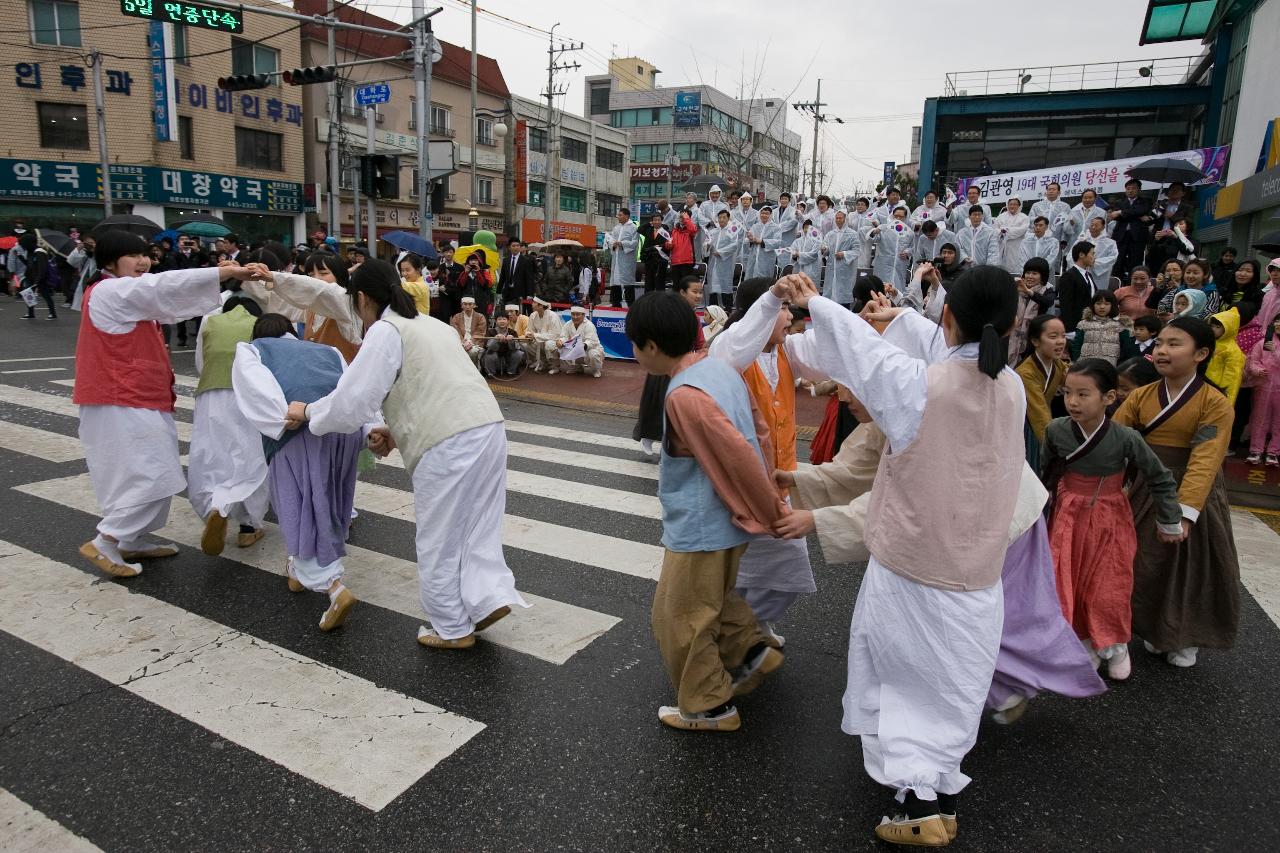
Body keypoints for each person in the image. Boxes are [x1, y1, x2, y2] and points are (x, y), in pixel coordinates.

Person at [779, 268, 1023, 847]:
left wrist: (814, 300)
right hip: (978, 574)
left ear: (948, 316)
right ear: (1013, 326)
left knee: (902, 683)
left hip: (912, 570)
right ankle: (939, 784)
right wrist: (906, 317)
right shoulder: (1010, 384)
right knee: (952, 685)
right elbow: (946, 351)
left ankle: (918, 802)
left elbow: (865, 356)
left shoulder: (919, 388)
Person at [291, 258, 527, 649]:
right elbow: (428, 386)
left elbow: (352, 401)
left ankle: (452, 627)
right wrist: (395, 431)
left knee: (439, 536)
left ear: (363, 298)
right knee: (477, 527)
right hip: (486, 427)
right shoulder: (432, 324)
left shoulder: (386, 330)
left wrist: (309, 412)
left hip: (447, 442)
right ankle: (488, 597)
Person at [624, 290, 785, 733]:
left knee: (679, 618)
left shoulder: (684, 396)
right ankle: (753, 651)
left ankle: (709, 706)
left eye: (636, 345)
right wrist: (765, 498)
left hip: (701, 525)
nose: (636, 353)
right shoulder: (720, 369)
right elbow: (758, 433)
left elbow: (733, 455)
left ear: (652, 346)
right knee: (711, 602)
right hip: (729, 526)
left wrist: (767, 510)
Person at [74, 231, 254, 578]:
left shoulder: (123, 292)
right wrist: (222, 273)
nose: (143, 262)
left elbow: (168, 302)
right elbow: (162, 288)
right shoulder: (111, 290)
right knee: (150, 472)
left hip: (135, 397)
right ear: (110, 260)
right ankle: (107, 540)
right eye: (133, 255)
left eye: (146, 254)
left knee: (152, 470)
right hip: (120, 400)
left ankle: (132, 538)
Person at [1042, 359, 1183, 681]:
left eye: (1083, 394)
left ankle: (1115, 645)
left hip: (1110, 516)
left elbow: (1159, 477)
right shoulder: (1056, 430)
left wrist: (1169, 520)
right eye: (1067, 393)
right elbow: (1048, 472)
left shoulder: (1126, 437)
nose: (1073, 402)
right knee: (1068, 581)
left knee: (1110, 585)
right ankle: (1084, 643)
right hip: (1067, 516)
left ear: (1109, 397)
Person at [1113, 317, 1239, 669]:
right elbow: (1115, 440)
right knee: (1141, 561)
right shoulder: (1141, 395)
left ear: (1201, 353)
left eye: (1174, 344)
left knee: (1192, 567)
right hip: (1146, 487)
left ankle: (1185, 636)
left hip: (1191, 495)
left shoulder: (1214, 402)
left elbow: (1205, 459)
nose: (1162, 350)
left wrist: (1182, 513)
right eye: (1160, 343)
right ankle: (1152, 628)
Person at [709, 277, 826, 640]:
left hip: (779, 486)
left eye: (791, 307)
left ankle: (751, 624)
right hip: (739, 491)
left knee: (786, 572)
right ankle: (733, 632)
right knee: (735, 570)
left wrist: (821, 309)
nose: (790, 316)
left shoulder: (786, 351)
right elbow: (737, 346)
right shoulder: (729, 349)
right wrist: (773, 297)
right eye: (784, 309)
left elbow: (825, 362)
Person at [231, 312, 364, 631]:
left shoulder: (253, 349)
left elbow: (256, 387)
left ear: (259, 334)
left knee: (299, 507)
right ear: (291, 331)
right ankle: (296, 569)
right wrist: (369, 424)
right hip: (342, 431)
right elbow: (351, 387)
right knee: (329, 503)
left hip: (301, 431)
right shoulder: (326, 350)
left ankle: (334, 587)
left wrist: (282, 417)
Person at [190, 294, 269, 557]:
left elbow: (201, 363)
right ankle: (249, 526)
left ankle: (216, 506)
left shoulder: (211, 323)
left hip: (211, 395)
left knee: (215, 455)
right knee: (251, 458)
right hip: (248, 396)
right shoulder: (260, 326)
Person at [634, 276, 705, 457]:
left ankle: (671, 444)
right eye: (694, 291)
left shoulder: (694, 316)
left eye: (700, 292)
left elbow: (699, 343)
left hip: (684, 367)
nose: (698, 296)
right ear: (682, 292)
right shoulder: (667, 312)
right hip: (664, 365)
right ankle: (648, 436)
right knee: (657, 404)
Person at [1016, 314, 1069, 470]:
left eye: (1063, 336)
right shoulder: (1026, 372)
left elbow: (1074, 379)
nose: (1061, 341)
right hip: (1027, 427)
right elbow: (1039, 413)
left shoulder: (1057, 365)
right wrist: (1056, 447)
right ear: (1035, 341)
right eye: (1053, 336)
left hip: (1042, 425)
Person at [1245, 314, 1280, 466]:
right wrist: (1258, 370)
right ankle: (1255, 450)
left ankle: (1273, 452)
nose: (1278, 324)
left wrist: (1275, 352)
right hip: (1263, 387)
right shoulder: (1262, 343)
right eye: (1276, 321)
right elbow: (1253, 362)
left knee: (1278, 422)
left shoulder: (1271, 346)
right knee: (1260, 418)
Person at [1008, 257, 1055, 366]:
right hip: (1012, 336)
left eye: (1034, 273)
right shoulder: (1015, 287)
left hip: (1033, 337)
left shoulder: (1047, 290)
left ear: (1042, 276)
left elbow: (1047, 302)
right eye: (1028, 273)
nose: (1030, 276)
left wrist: (1028, 292)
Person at [1069, 290, 1137, 365]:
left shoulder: (1121, 325)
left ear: (1113, 305)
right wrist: (1077, 361)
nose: (1102, 307)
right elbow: (1076, 346)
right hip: (1085, 367)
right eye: (1098, 303)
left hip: (1111, 366)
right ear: (1093, 305)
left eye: (1107, 304)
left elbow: (1126, 349)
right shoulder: (1083, 324)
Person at [1110, 178, 1154, 281]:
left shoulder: (1145, 201)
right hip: (1121, 236)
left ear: (1139, 190)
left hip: (1138, 237)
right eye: (1128, 188)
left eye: (1133, 188)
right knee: (1118, 261)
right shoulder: (1120, 202)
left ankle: (1133, 283)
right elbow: (1115, 216)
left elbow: (1140, 210)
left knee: (1135, 262)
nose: (1130, 191)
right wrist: (1134, 214)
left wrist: (1121, 212)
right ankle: (1116, 283)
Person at [548, 304, 604, 377]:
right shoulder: (568, 324)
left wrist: (582, 345)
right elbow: (564, 336)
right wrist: (560, 341)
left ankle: (596, 370)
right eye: (573, 314)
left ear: (583, 315)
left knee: (593, 354)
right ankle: (576, 368)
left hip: (589, 349)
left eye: (578, 314)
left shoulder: (589, 325)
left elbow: (592, 341)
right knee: (553, 346)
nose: (575, 317)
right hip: (574, 349)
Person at [1057, 242, 1100, 337]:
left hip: (1088, 326)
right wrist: (1070, 330)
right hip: (1074, 328)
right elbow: (1066, 304)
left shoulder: (1088, 275)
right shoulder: (1069, 276)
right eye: (1092, 254)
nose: (1094, 257)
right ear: (1081, 255)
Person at [1205, 307, 1246, 406]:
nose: (1213, 329)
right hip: (1202, 385)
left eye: (1218, 327)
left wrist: (1226, 403)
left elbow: (1232, 379)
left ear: (1228, 329)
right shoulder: (1209, 341)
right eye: (1212, 326)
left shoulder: (1232, 351)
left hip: (1215, 390)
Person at [822, 209, 861, 307]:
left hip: (845, 270)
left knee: (843, 295)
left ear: (845, 219)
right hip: (832, 269)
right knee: (830, 294)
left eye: (840, 218)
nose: (838, 220)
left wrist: (844, 254)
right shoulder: (830, 234)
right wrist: (824, 249)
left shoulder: (853, 234)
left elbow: (856, 250)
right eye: (837, 218)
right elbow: (825, 248)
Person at [869, 206, 915, 288]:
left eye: (901, 217)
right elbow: (873, 239)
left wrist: (908, 253)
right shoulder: (884, 228)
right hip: (883, 265)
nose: (898, 218)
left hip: (899, 265)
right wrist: (874, 232)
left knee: (898, 289)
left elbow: (913, 247)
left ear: (905, 218)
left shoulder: (909, 233)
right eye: (896, 216)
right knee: (881, 288)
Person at [1030, 182, 1073, 262]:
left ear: (1059, 192)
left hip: (1055, 238)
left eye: (1053, 189)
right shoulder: (1036, 205)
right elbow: (1030, 222)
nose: (1051, 191)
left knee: (1052, 262)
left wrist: (1063, 240)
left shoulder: (1065, 206)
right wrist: (1040, 218)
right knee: (1036, 260)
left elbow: (1067, 227)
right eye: (1049, 189)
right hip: (1038, 238)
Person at [1074, 217, 1120, 286]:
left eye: (1096, 225)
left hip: (1100, 276)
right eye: (1092, 225)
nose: (1093, 227)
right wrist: (1083, 263)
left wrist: (1094, 263)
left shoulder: (1110, 243)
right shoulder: (1081, 240)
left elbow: (1113, 258)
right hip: (1082, 272)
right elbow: (1071, 256)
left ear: (1103, 227)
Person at [20, 241, 56, 320]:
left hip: (40, 278)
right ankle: (30, 313)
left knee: (46, 295)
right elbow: (30, 264)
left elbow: (42, 267)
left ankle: (52, 313)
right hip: (31, 277)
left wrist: (38, 279)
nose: (23, 247)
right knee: (28, 295)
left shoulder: (39, 252)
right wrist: (21, 258)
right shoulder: (30, 251)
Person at [743, 206, 782, 280]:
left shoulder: (776, 228)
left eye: (767, 213)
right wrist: (750, 239)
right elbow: (747, 241)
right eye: (762, 213)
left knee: (764, 279)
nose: (764, 215)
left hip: (766, 258)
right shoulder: (755, 226)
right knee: (751, 277)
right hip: (753, 256)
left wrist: (761, 241)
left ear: (771, 215)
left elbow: (777, 242)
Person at [993, 197, 1030, 275]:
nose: (1012, 206)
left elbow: (1021, 230)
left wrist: (1006, 231)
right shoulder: (1001, 216)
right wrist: (1001, 231)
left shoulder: (1024, 217)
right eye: (1010, 204)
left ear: (1019, 206)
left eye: (1015, 204)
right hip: (1001, 246)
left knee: (1014, 268)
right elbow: (994, 229)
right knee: (1000, 270)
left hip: (1016, 246)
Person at [526, 296, 562, 372]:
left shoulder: (553, 316)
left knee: (548, 344)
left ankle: (555, 366)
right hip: (540, 340)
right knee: (527, 344)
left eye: (534, 303)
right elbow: (529, 330)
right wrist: (528, 335)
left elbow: (555, 335)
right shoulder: (533, 315)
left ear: (541, 306)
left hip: (554, 341)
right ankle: (543, 363)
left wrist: (536, 335)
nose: (532, 304)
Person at [484, 313, 525, 377]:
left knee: (519, 353)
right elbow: (487, 346)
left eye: (504, 319)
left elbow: (517, 347)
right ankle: (491, 373)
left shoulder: (512, 332)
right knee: (489, 354)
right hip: (494, 359)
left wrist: (512, 341)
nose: (502, 321)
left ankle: (511, 371)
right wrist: (495, 339)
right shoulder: (490, 331)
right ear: (495, 321)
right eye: (499, 319)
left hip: (508, 358)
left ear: (508, 321)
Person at [451, 296, 488, 367]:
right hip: (460, 342)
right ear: (461, 306)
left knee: (472, 352)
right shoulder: (456, 317)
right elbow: (455, 331)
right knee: (454, 350)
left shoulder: (480, 317)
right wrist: (462, 342)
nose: (467, 306)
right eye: (465, 304)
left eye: (470, 304)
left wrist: (471, 342)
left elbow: (480, 332)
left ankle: (474, 369)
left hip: (475, 343)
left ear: (474, 305)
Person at [498, 238, 536, 308]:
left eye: (518, 245)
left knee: (520, 314)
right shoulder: (506, 260)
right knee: (508, 312)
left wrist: (530, 294)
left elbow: (529, 278)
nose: (516, 248)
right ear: (509, 247)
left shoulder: (526, 261)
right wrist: (498, 291)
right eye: (514, 246)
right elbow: (502, 277)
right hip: (507, 292)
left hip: (520, 293)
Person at [666, 208, 699, 285]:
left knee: (686, 286)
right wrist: (668, 245)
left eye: (683, 217)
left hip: (687, 261)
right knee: (676, 286)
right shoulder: (675, 230)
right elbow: (669, 242)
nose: (681, 218)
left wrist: (686, 218)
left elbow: (693, 230)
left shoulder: (691, 229)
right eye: (680, 217)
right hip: (675, 262)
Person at [640, 212, 671, 292]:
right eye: (655, 220)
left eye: (659, 220)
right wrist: (648, 224)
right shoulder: (648, 229)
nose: (657, 222)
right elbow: (639, 229)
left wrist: (658, 247)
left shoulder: (665, 230)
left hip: (661, 259)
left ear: (661, 221)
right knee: (649, 282)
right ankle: (648, 301)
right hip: (649, 259)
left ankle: (660, 302)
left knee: (659, 282)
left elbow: (668, 243)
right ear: (652, 221)